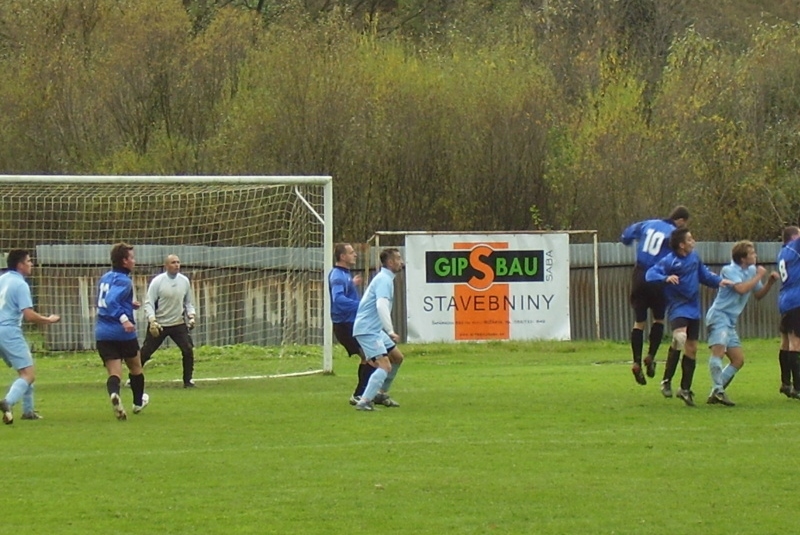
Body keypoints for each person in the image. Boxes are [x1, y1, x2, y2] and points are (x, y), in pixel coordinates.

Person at [646, 228, 733, 406]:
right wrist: (666, 277)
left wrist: (719, 281)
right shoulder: (669, 260)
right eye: (690, 239)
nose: (693, 242)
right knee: (680, 337)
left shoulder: (694, 258)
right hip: (678, 306)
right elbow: (650, 274)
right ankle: (666, 380)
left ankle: (684, 389)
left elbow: (704, 275)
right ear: (681, 244)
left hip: (694, 308)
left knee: (691, 349)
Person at [620, 206, 690, 385]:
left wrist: (630, 242)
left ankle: (636, 361)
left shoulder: (648, 224)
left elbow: (626, 236)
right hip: (658, 276)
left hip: (639, 274)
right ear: (681, 220)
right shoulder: (675, 233)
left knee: (639, 322)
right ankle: (650, 356)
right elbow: (681, 255)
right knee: (658, 319)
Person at [705, 241, 778, 406]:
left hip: (730, 321)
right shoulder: (728, 270)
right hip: (719, 316)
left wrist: (770, 282)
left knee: (738, 360)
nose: (755, 256)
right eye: (752, 253)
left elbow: (758, 294)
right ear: (743, 258)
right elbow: (741, 289)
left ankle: (715, 392)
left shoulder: (751, 270)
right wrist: (759, 275)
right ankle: (718, 390)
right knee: (719, 352)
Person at [0, 250, 60, 424]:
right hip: (9, 331)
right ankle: (8, 402)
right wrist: (48, 320)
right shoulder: (20, 285)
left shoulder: (2, 279)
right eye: (28, 261)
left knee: (24, 369)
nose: (31, 264)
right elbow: (29, 315)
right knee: (28, 374)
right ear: (20, 265)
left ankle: (28, 411)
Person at [95, 242, 148, 420]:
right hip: (122, 332)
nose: (134, 261)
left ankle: (114, 394)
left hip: (102, 332)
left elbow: (105, 300)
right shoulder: (124, 280)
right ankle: (138, 403)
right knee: (135, 367)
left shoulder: (105, 277)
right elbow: (111, 300)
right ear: (124, 261)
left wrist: (128, 303)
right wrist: (124, 319)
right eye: (132, 258)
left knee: (114, 372)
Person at [352, 248, 406, 411]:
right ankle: (364, 401)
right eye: (398, 259)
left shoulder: (385, 278)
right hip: (368, 329)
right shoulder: (384, 279)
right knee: (385, 366)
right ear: (390, 263)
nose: (401, 262)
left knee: (397, 357)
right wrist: (390, 331)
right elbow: (381, 305)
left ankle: (380, 393)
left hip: (374, 329)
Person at [141, 254, 197, 388]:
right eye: (173, 262)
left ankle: (187, 381)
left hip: (177, 323)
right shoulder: (158, 281)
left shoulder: (184, 281)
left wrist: (192, 315)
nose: (176, 265)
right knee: (146, 352)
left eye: (178, 262)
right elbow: (149, 303)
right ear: (166, 266)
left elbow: (188, 302)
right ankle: (133, 377)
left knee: (188, 350)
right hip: (159, 324)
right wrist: (152, 320)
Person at [329, 243, 376, 405]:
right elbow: (338, 299)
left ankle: (363, 393)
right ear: (342, 257)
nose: (355, 255)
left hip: (350, 322)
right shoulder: (337, 276)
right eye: (351, 252)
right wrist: (361, 305)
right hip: (345, 324)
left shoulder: (344, 274)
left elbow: (343, 289)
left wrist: (351, 284)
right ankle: (360, 394)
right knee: (371, 356)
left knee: (368, 356)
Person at [777, 226, 800, 398]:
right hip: (797, 298)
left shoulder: (782, 252)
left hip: (785, 299)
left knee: (785, 341)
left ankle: (785, 383)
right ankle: (798, 387)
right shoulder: (795, 246)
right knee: (796, 342)